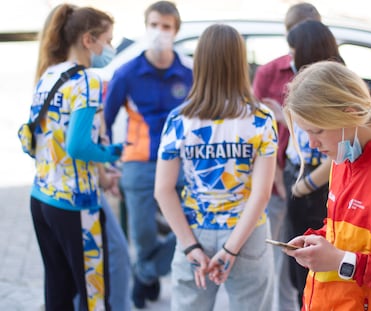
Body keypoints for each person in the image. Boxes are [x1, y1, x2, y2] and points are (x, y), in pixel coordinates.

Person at [154, 24, 277, 311]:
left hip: (194, 232)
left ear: (200, 62)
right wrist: (231, 249)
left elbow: (163, 190)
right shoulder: (261, 118)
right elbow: (261, 194)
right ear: (240, 61)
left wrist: (190, 246)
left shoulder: (179, 120)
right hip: (247, 234)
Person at [283, 60, 371, 310]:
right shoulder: (343, 158)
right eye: (306, 133)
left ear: (351, 114)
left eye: (317, 131)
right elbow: (347, 233)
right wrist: (317, 242)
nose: (312, 144)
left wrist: (343, 261)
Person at [26, 4, 123, 310]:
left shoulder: (47, 76)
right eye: (107, 40)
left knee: (57, 290)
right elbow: (78, 146)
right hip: (75, 204)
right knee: (94, 297)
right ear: (88, 40)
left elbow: (36, 142)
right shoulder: (87, 81)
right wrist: (110, 153)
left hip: (42, 197)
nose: (110, 48)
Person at [103, 1, 193, 308]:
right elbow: (105, 119)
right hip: (139, 164)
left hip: (182, 164)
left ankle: (145, 274)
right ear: (145, 27)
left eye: (166, 27)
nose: (159, 32)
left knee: (190, 225)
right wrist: (109, 163)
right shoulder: (127, 73)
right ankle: (147, 270)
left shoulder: (189, 72)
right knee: (141, 238)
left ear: (176, 31)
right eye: (154, 25)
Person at [252, 3, 321, 310]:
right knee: (284, 251)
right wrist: (277, 177)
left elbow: (320, 136)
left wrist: (284, 118)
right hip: (283, 171)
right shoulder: (270, 72)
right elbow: (256, 127)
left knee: (309, 248)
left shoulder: (329, 75)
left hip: (312, 177)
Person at [282, 19, 344, 307]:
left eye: (293, 51)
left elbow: (339, 153)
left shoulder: (333, 87)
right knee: (303, 257)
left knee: (316, 263)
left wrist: (306, 184)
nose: (290, 59)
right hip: (302, 177)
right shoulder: (308, 88)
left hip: (316, 185)